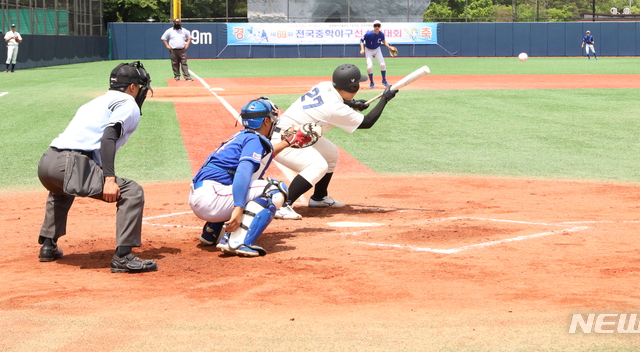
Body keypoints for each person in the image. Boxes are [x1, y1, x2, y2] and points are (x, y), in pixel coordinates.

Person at [36, 61, 158, 273]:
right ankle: (123, 257)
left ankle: (48, 245)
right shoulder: (128, 103)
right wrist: (109, 179)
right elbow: (109, 136)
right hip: (71, 164)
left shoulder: (94, 103)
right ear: (132, 87)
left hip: (47, 164)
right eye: (140, 87)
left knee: (62, 189)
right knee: (132, 191)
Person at [188, 97, 316, 256]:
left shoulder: (243, 136)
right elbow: (243, 171)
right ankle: (237, 242)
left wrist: (285, 143)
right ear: (266, 122)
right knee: (274, 189)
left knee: (253, 183)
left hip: (203, 196)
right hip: (212, 199)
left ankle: (212, 232)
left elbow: (260, 160)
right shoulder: (255, 139)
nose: (274, 121)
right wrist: (238, 208)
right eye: (272, 118)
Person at [274, 63, 398, 220]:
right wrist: (384, 100)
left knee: (330, 153)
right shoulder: (335, 109)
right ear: (353, 87)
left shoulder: (325, 85)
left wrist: (353, 104)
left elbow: (334, 102)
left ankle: (319, 198)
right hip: (285, 141)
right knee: (318, 166)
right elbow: (367, 122)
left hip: (295, 133)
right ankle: (284, 205)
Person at [359, 20, 394, 88]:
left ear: (380, 27)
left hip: (377, 50)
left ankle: (384, 81)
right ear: (373, 26)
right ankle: (372, 83)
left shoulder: (381, 34)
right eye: (375, 25)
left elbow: (383, 40)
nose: (377, 27)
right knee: (369, 67)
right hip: (368, 50)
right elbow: (361, 40)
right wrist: (362, 49)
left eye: (378, 26)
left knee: (383, 65)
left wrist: (388, 47)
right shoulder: (368, 34)